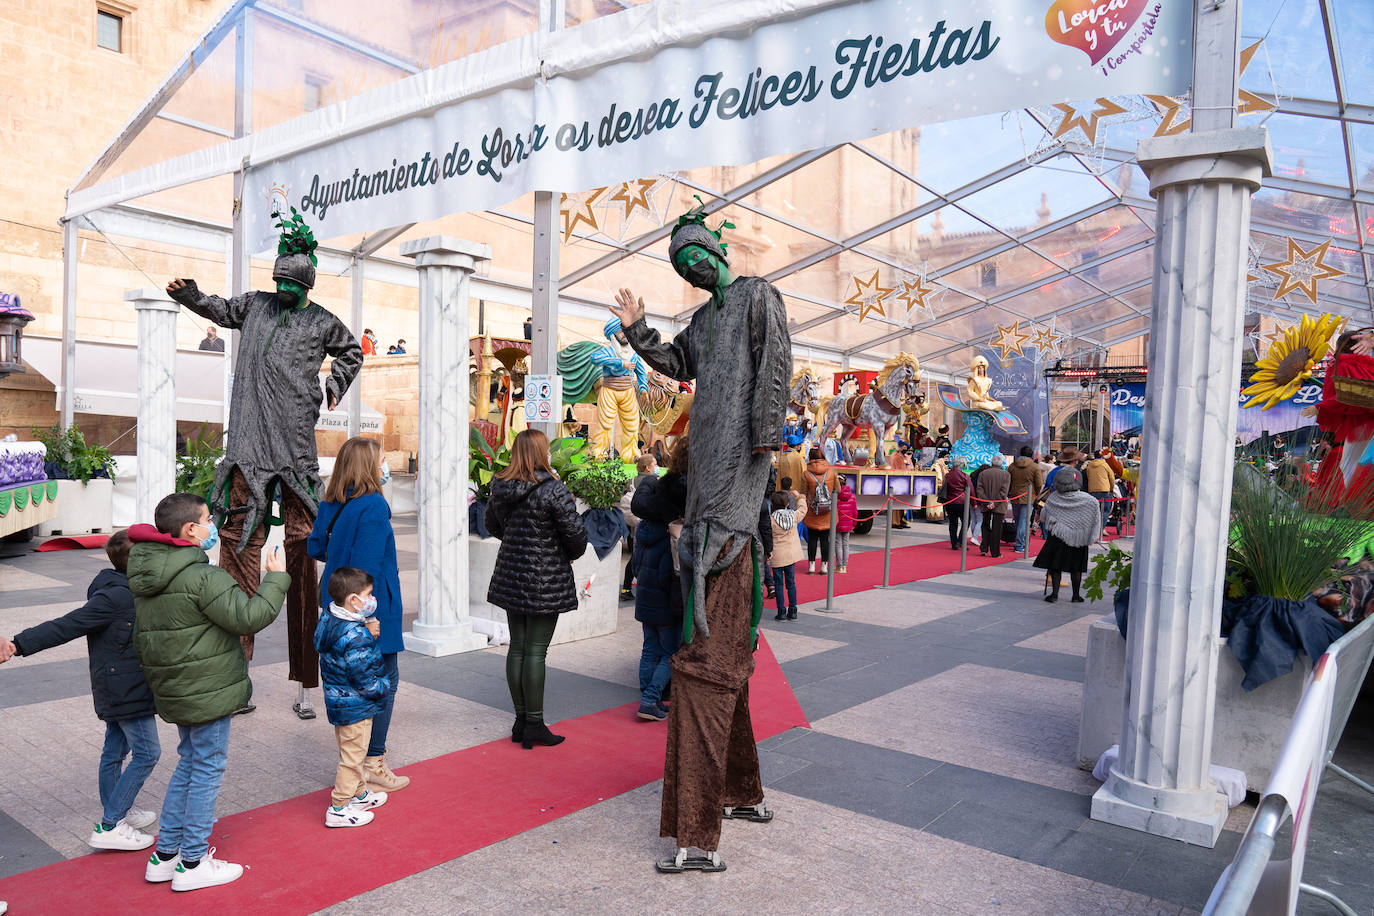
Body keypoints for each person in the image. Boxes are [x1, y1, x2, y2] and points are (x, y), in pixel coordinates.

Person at [612, 199, 790, 874]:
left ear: (718, 254)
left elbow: (773, 366)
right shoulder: (701, 320)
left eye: (697, 256)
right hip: (707, 471)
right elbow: (674, 361)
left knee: (707, 660)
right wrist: (636, 332)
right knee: (714, 647)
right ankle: (741, 793)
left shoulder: (755, 295)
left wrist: (764, 440)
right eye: (681, 264)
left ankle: (699, 831)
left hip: (734, 477)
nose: (692, 268)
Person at [165, 209, 361, 720]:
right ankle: (235, 677)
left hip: (294, 447)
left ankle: (304, 683)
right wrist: (190, 294)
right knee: (236, 555)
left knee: (303, 557)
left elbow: (351, 352)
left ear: (306, 285)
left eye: (290, 284)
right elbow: (220, 308)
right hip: (248, 446)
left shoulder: (323, 321)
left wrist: (332, 388)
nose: (281, 290)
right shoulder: (254, 305)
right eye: (277, 281)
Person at [128, 492, 287, 892]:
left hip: (178, 688)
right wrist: (276, 578)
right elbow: (250, 617)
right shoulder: (202, 577)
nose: (212, 525)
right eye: (206, 520)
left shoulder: (150, 576)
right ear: (190, 530)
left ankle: (166, 855)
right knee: (206, 768)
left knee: (190, 762)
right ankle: (193, 861)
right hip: (206, 688)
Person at [0, 531, 161, 851]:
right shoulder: (115, 597)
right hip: (124, 687)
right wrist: (18, 644)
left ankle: (118, 813)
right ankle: (111, 824)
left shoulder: (125, 588)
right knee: (148, 752)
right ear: (139, 563)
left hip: (122, 683)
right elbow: (67, 625)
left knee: (114, 752)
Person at [307, 436, 409, 793]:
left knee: (347, 679)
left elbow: (316, 546)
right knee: (384, 679)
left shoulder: (331, 502)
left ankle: (356, 760)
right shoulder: (373, 505)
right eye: (381, 459)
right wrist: (367, 617)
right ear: (370, 465)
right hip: (368, 604)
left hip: (336, 603)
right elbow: (365, 568)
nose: (385, 465)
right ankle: (372, 762)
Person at [485, 429, 589, 749]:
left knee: (517, 647)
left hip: (512, 574)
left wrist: (517, 542)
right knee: (535, 651)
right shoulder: (553, 490)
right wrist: (560, 553)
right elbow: (576, 538)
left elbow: (491, 525)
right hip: (545, 578)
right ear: (544, 453)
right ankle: (534, 723)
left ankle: (520, 720)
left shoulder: (501, 485)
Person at [316, 566, 392, 828]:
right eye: (368, 594)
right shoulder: (355, 635)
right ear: (354, 600)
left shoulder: (331, 620)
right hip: (356, 705)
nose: (372, 599)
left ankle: (359, 794)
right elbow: (364, 676)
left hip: (339, 701)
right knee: (352, 757)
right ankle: (338, 807)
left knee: (352, 751)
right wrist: (384, 686)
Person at [631, 438, 689, 720]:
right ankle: (651, 698)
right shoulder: (673, 532)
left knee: (649, 646)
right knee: (669, 650)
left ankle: (647, 694)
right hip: (666, 597)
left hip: (645, 593)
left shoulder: (644, 529)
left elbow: (637, 565)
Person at [1034, 467, 1102, 602]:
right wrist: (1091, 535)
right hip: (1079, 538)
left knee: (1055, 566)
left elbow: (1043, 517)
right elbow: (1096, 520)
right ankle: (1076, 595)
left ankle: (1054, 594)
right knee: (1076, 567)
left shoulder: (1054, 498)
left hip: (1058, 537)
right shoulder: (1090, 500)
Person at [590, 317, 649, 460]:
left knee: (632, 425)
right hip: (609, 390)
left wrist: (643, 388)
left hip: (628, 391)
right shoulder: (608, 351)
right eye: (620, 332)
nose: (624, 335)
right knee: (605, 424)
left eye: (625, 332)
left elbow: (641, 372)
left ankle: (631, 455)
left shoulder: (633, 354)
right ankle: (599, 454)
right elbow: (594, 358)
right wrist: (621, 363)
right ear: (613, 335)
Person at [621, 453, 660, 601]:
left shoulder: (630, 480)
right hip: (647, 525)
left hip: (633, 527)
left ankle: (626, 588)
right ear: (648, 468)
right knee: (644, 559)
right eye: (655, 464)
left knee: (633, 558)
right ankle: (644, 589)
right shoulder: (653, 482)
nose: (657, 467)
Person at [768, 489, 805, 620]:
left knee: (778, 584)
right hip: (791, 555)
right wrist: (799, 496)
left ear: (772, 504)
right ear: (787, 504)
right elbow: (802, 509)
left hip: (778, 556)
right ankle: (793, 610)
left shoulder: (771, 520)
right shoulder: (793, 516)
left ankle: (781, 611)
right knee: (791, 583)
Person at [803, 447, 837, 574]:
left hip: (812, 511)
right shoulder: (831, 472)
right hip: (827, 511)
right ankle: (824, 566)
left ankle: (811, 565)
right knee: (825, 540)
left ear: (810, 458)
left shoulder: (806, 474)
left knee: (812, 540)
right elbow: (837, 490)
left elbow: (802, 492)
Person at [1008, 446, 1044, 554]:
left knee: (1018, 520)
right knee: (1024, 522)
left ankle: (1020, 542)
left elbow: (1008, 481)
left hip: (1015, 496)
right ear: (1031, 455)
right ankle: (1020, 544)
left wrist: (1010, 492)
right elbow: (1038, 484)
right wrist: (1036, 494)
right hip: (1028, 496)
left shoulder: (1012, 466)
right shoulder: (1034, 467)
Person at [976, 457, 1011, 558]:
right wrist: (994, 503)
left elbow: (980, 490)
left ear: (992, 463)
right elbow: (1004, 492)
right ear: (1001, 464)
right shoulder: (1006, 474)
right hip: (999, 504)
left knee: (985, 525)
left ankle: (984, 548)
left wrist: (987, 502)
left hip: (985, 503)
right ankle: (995, 552)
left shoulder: (983, 473)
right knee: (997, 528)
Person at [1082, 449, 1117, 529]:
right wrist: (1111, 488)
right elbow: (1112, 478)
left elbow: (1088, 476)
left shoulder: (1089, 465)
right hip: (1104, 490)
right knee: (1105, 510)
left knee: (1093, 511)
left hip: (1092, 490)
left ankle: (1092, 529)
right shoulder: (1105, 465)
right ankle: (1100, 529)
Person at [944, 458, 971, 549]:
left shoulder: (948, 475)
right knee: (966, 522)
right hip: (962, 502)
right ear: (962, 465)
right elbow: (971, 490)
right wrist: (974, 503)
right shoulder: (964, 475)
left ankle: (954, 543)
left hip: (950, 501)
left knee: (952, 523)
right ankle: (960, 541)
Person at [835, 483, 857, 573]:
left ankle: (839, 566)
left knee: (838, 544)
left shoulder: (835, 496)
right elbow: (855, 512)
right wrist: (854, 524)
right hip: (848, 523)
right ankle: (844, 566)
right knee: (846, 544)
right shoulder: (852, 497)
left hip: (837, 523)